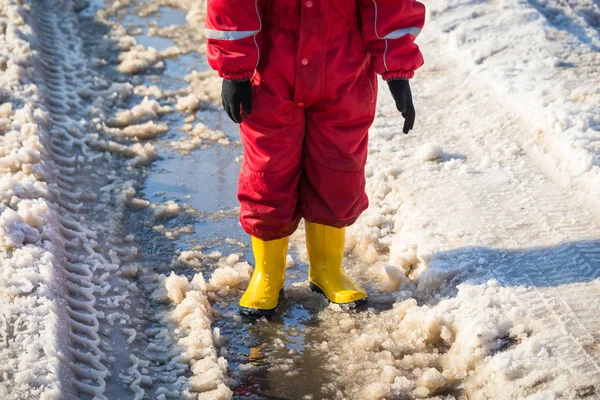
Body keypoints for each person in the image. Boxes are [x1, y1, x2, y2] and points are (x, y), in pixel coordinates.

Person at [206, 0, 425, 316]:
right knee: (269, 169)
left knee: (339, 167)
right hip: (270, 70)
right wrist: (235, 69)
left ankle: (326, 268)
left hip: (344, 70)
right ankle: (268, 272)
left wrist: (397, 67)